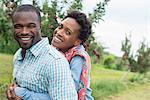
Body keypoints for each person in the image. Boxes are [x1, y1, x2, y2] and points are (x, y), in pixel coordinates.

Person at [6, 4, 77, 100]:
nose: (24, 32)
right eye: (18, 26)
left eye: (31, 26)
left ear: (40, 26)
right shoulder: (18, 55)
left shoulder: (55, 62)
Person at [51, 11, 93, 100]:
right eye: (60, 27)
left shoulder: (78, 57)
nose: (59, 32)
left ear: (77, 41)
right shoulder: (55, 51)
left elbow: (69, 89)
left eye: (67, 32)